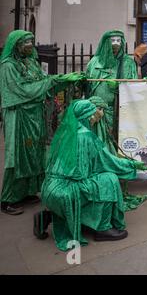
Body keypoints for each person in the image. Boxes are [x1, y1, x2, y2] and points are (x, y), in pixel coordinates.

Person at [34, 100, 147, 251]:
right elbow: (109, 162)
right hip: (67, 189)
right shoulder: (86, 136)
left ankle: (45, 218)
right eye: (94, 114)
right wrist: (132, 165)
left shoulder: (65, 131)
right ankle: (102, 228)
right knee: (110, 180)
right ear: (87, 117)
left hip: (49, 187)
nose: (96, 118)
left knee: (96, 181)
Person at [0, 30, 85, 215]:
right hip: (19, 116)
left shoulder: (30, 61)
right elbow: (22, 91)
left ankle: (26, 192)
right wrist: (53, 80)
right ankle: (8, 199)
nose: (30, 46)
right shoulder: (8, 66)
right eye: (25, 43)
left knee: (33, 153)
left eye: (31, 42)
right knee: (18, 155)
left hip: (34, 117)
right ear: (16, 45)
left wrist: (64, 80)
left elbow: (43, 83)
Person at [88, 95, 147, 211]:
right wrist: (129, 164)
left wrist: (127, 161)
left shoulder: (101, 126)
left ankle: (121, 195)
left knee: (124, 167)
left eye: (102, 110)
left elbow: (106, 150)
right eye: (99, 109)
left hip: (102, 159)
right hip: (90, 171)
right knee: (114, 175)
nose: (101, 113)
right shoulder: (84, 131)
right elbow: (101, 156)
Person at [86, 30, 137, 154]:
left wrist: (120, 85)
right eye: (112, 40)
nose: (116, 43)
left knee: (114, 140)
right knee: (97, 140)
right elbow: (87, 84)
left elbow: (134, 87)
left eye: (118, 40)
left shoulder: (128, 63)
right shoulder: (94, 62)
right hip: (96, 110)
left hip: (117, 111)